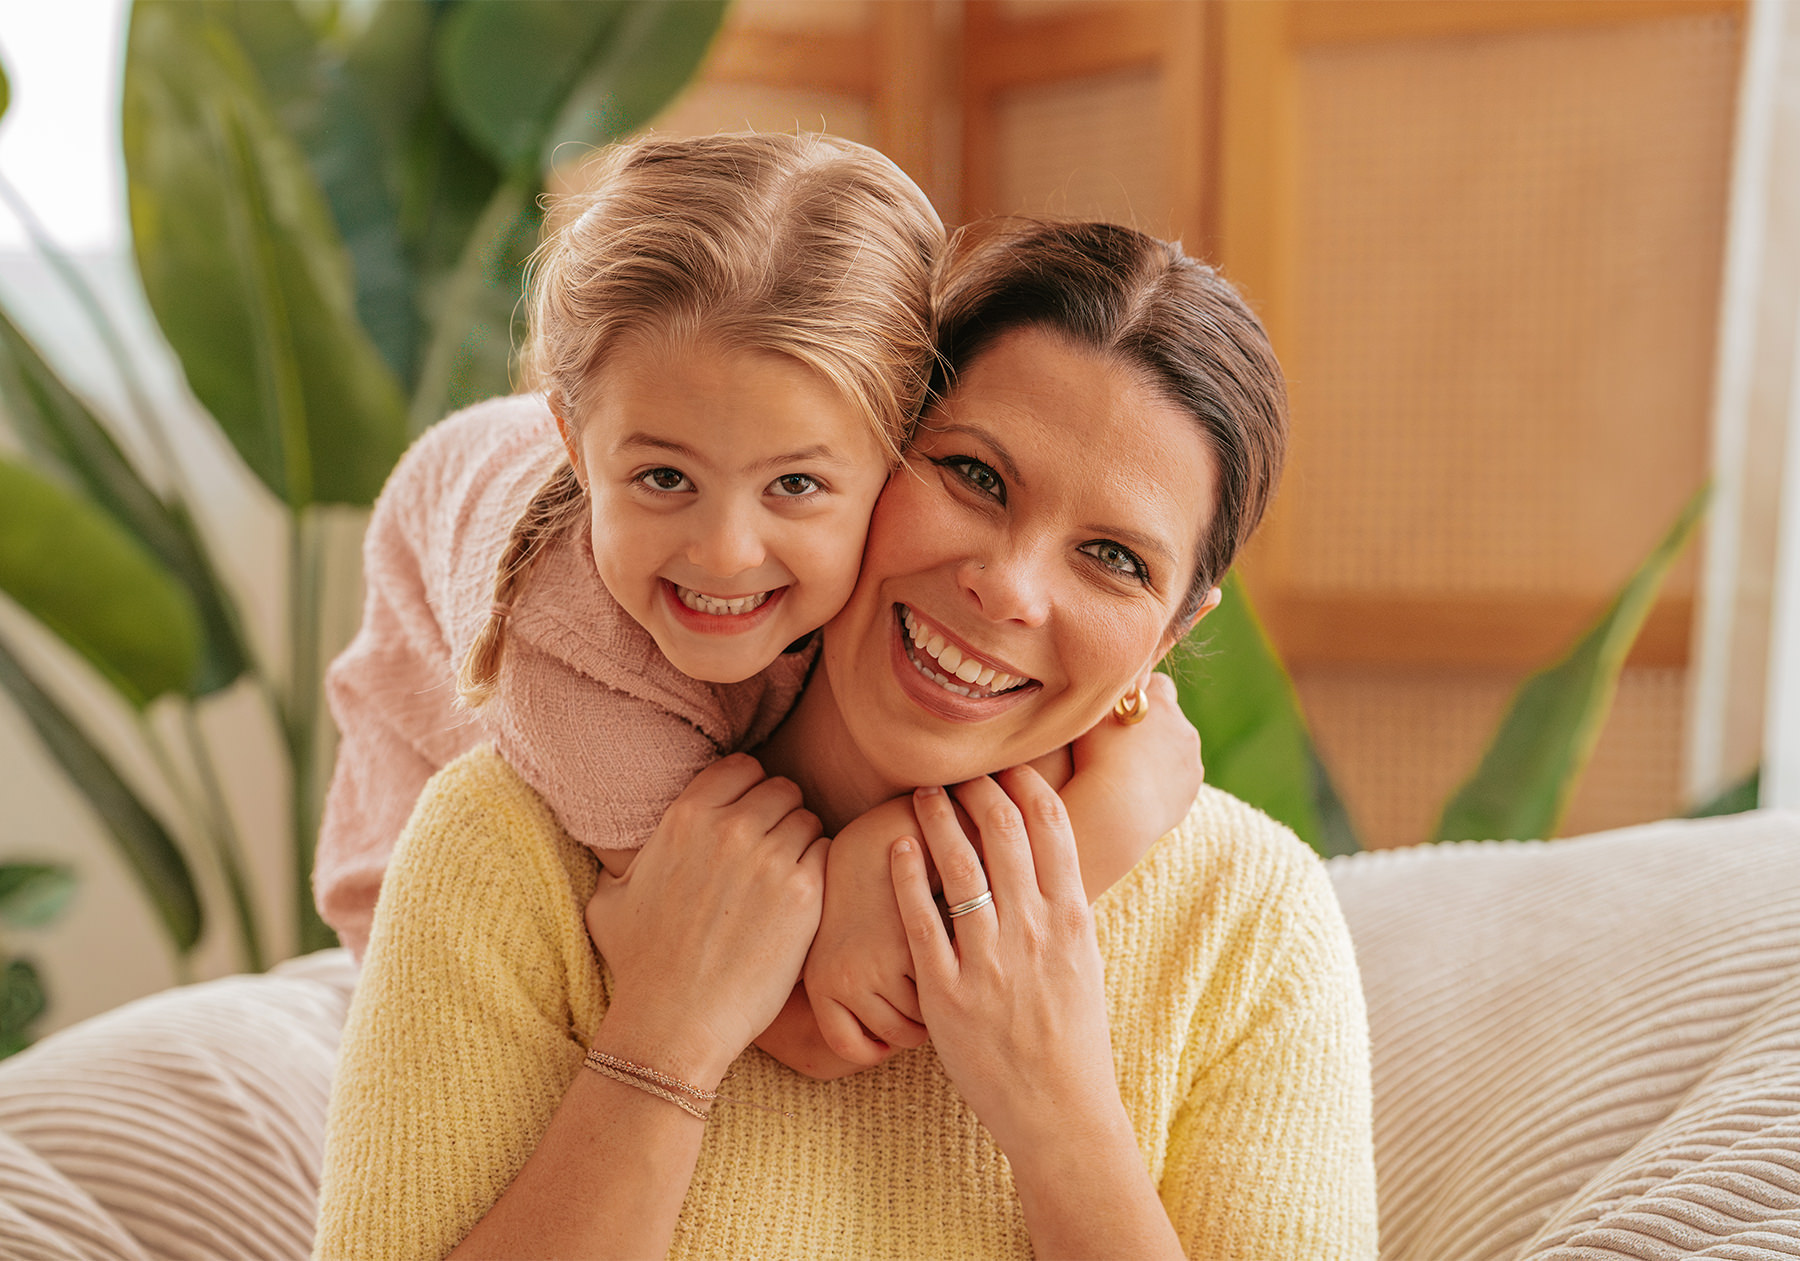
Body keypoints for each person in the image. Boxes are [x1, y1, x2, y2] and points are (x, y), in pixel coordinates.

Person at [314, 218, 1377, 1259]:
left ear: (1176, 631)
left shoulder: (1249, 924)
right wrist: (661, 1043)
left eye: (1113, 556)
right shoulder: (509, 844)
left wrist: (1060, 1119)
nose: (1007, 588)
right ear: (864, 450)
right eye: (975, 476)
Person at [312, 133, 1196, 1072]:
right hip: (405, 846)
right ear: (574, 443)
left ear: (896, 445)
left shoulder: (876, 546)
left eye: (796, 486)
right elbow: (798, 1015)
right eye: (662, 477)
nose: (726, 554)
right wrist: (1112, 816)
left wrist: (885, 844)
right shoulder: (569, 657)